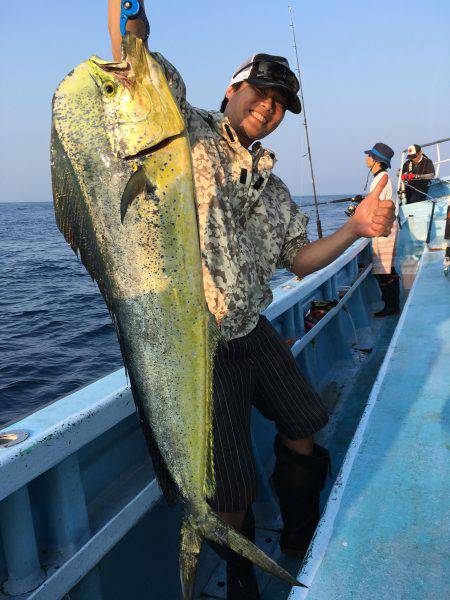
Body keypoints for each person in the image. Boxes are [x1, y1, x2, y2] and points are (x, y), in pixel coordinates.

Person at [108, 2, 395, 597]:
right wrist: (127, 14)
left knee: (306, 421)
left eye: (280, 106)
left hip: (249, 326)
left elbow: (299, 258)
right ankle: (241, 573)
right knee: (230, 487)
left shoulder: (270, 178)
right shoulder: (181, 129)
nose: (268, 110)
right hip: (197, 347)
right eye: (260, 94)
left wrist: (358, 228)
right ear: (233, 90)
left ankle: (297, 531)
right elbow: (133, 60)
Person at [364, 143, 400, 317]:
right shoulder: (382, 177)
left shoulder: (381, 179)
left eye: (369, 155)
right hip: (387, 226)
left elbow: (375, 206)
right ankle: (393, 304)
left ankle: (392, 307)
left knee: (384, 272)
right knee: (387, 268)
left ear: (376, 160)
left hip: (384, 229)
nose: (366, 158)